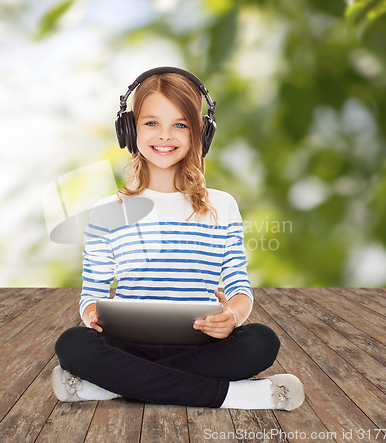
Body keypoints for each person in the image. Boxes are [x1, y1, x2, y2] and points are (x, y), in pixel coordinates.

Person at [52, 67, 304, 410]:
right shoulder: (107, 211)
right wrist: (93, 315)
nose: (165, 136)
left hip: (201, 344)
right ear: (129, 130)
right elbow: (91, 295)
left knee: (262, 341)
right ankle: (237, 396)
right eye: (151, 123)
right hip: (127, 344)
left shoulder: (222, 206)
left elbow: (238, 285)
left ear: (200, 133)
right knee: (73, 343)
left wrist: (233, 316)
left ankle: (109, 388)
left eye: (180, 124)